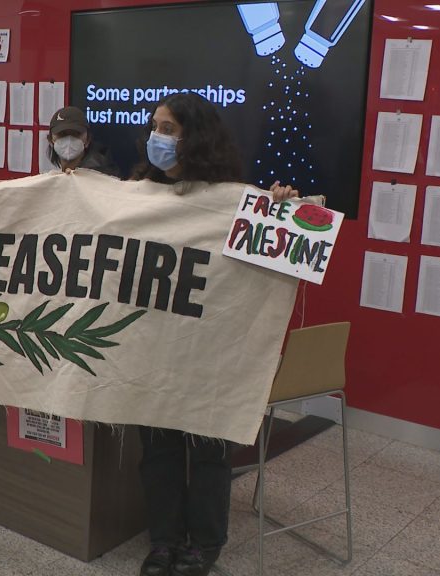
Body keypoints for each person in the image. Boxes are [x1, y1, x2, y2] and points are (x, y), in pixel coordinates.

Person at [131, 93, 297, 576]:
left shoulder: (234, 201)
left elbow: (273, 262)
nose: (156, 137)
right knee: (158, 451)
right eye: (155, 126)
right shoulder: (138, 193)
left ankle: (204, 542)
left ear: (194, 137)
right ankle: (162, 539)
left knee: (208, 452)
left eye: (168, 128)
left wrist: (278, 210)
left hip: (212, 353)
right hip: (153, 348)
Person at [46, 105, 119, 176]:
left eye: (76, 134)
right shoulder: (52, 178)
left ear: (87, 140)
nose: (69, 140)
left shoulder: (104, 177)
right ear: (50, 140)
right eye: (62, 134)